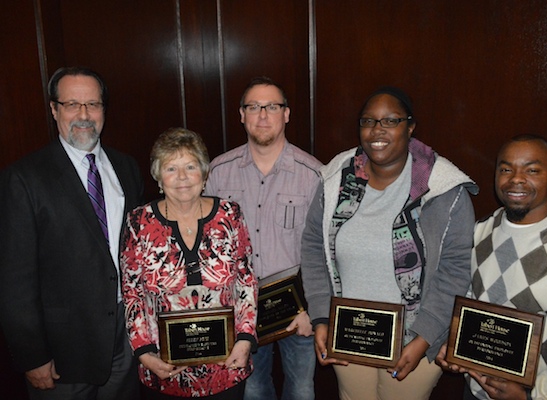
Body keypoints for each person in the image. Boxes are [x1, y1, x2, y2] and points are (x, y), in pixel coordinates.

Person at [301, 87, 479, 400]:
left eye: (390, 121)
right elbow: (314, 249)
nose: (377, 130)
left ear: (410, 127)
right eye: (368, 121)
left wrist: (424, 338)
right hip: (350, 334)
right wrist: (320, 318)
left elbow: (456, 270)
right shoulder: (335, 180)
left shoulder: (444, 190)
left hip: (415, 339)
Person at [0, 66, 144, 399]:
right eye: (71, 105)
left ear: (104, 110)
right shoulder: (24, 179)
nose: (84, 115)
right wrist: (31, 355)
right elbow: (14, 279)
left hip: (124, 338)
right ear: (54, 109)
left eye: (93, 105)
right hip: (63, 351)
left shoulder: (126, 167)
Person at [436, 134, 547, 400]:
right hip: (475, 391)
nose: (516, 179)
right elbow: (468, 302)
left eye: (532, 170)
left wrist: (533, 395)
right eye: (505, 169)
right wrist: (454, 345)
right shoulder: (479, 232)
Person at [204, 76, 322, 400]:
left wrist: (314, 309)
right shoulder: (217, 172)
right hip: (242, 315)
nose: (263, 115)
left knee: (301, 390)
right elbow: (207, 249)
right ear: (241, 115)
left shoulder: (313, 175)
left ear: (287, 114)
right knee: (253, 392)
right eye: (254, 107)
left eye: (272, 106)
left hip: (298, 313)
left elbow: (325, 251)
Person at [120, 127, 257, 399]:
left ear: (204, 174)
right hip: (164, 369)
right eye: (171, 168)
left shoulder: (230, 215)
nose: (182, 177)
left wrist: (245, 340)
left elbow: (246, 280)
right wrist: (144, 353)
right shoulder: (139, 223)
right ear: (158, 177)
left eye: (190, 166)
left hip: (226, 367)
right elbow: (131, 292)